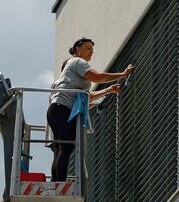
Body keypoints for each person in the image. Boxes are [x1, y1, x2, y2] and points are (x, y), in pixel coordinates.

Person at [47, 37, 134, 181]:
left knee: (60, 148)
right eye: (88, 48)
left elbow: (85, 96)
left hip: (56, 109)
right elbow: (97, 77)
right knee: (66, 147)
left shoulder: (68, 76)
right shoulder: (77, 61)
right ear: (77, 50)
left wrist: (108, 90)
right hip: (62, 108)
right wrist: (123, 74)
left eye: (92, 50)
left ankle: (56, 182)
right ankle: (60, 184)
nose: (91, 52)